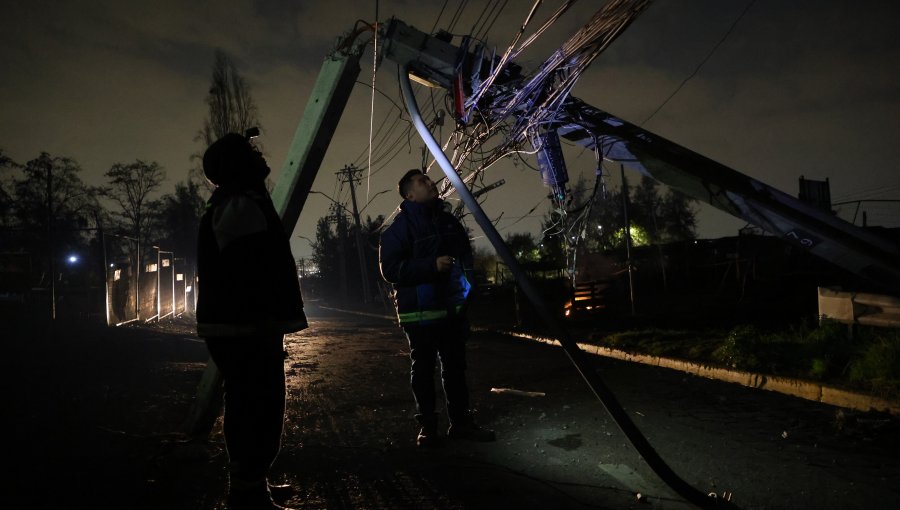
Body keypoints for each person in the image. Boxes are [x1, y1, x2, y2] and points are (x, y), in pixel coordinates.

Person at [197, 132, 307, 510]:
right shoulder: (240, 205)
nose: (260, 156)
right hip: (245, 328)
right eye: (250, 152)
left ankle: (250, 483)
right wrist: (270, 315)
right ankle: (247, 490)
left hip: (241, 327)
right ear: (237, 165)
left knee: (250, 402)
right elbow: (253, 271)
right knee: (257, 404)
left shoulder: (237, 202)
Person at [379, 168, 496, 447]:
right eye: (422, 182)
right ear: (410, 194)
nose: (430, 183)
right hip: (418, 315)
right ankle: (428, 429)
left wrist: (466, 294)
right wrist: (431, 266)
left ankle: (460, 424)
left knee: (455, 368)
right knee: (423, 370)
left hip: (450, 312)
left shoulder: (447, 222)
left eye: (428, 179)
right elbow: (391, 270)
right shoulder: (398, 230)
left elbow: (465, 259)